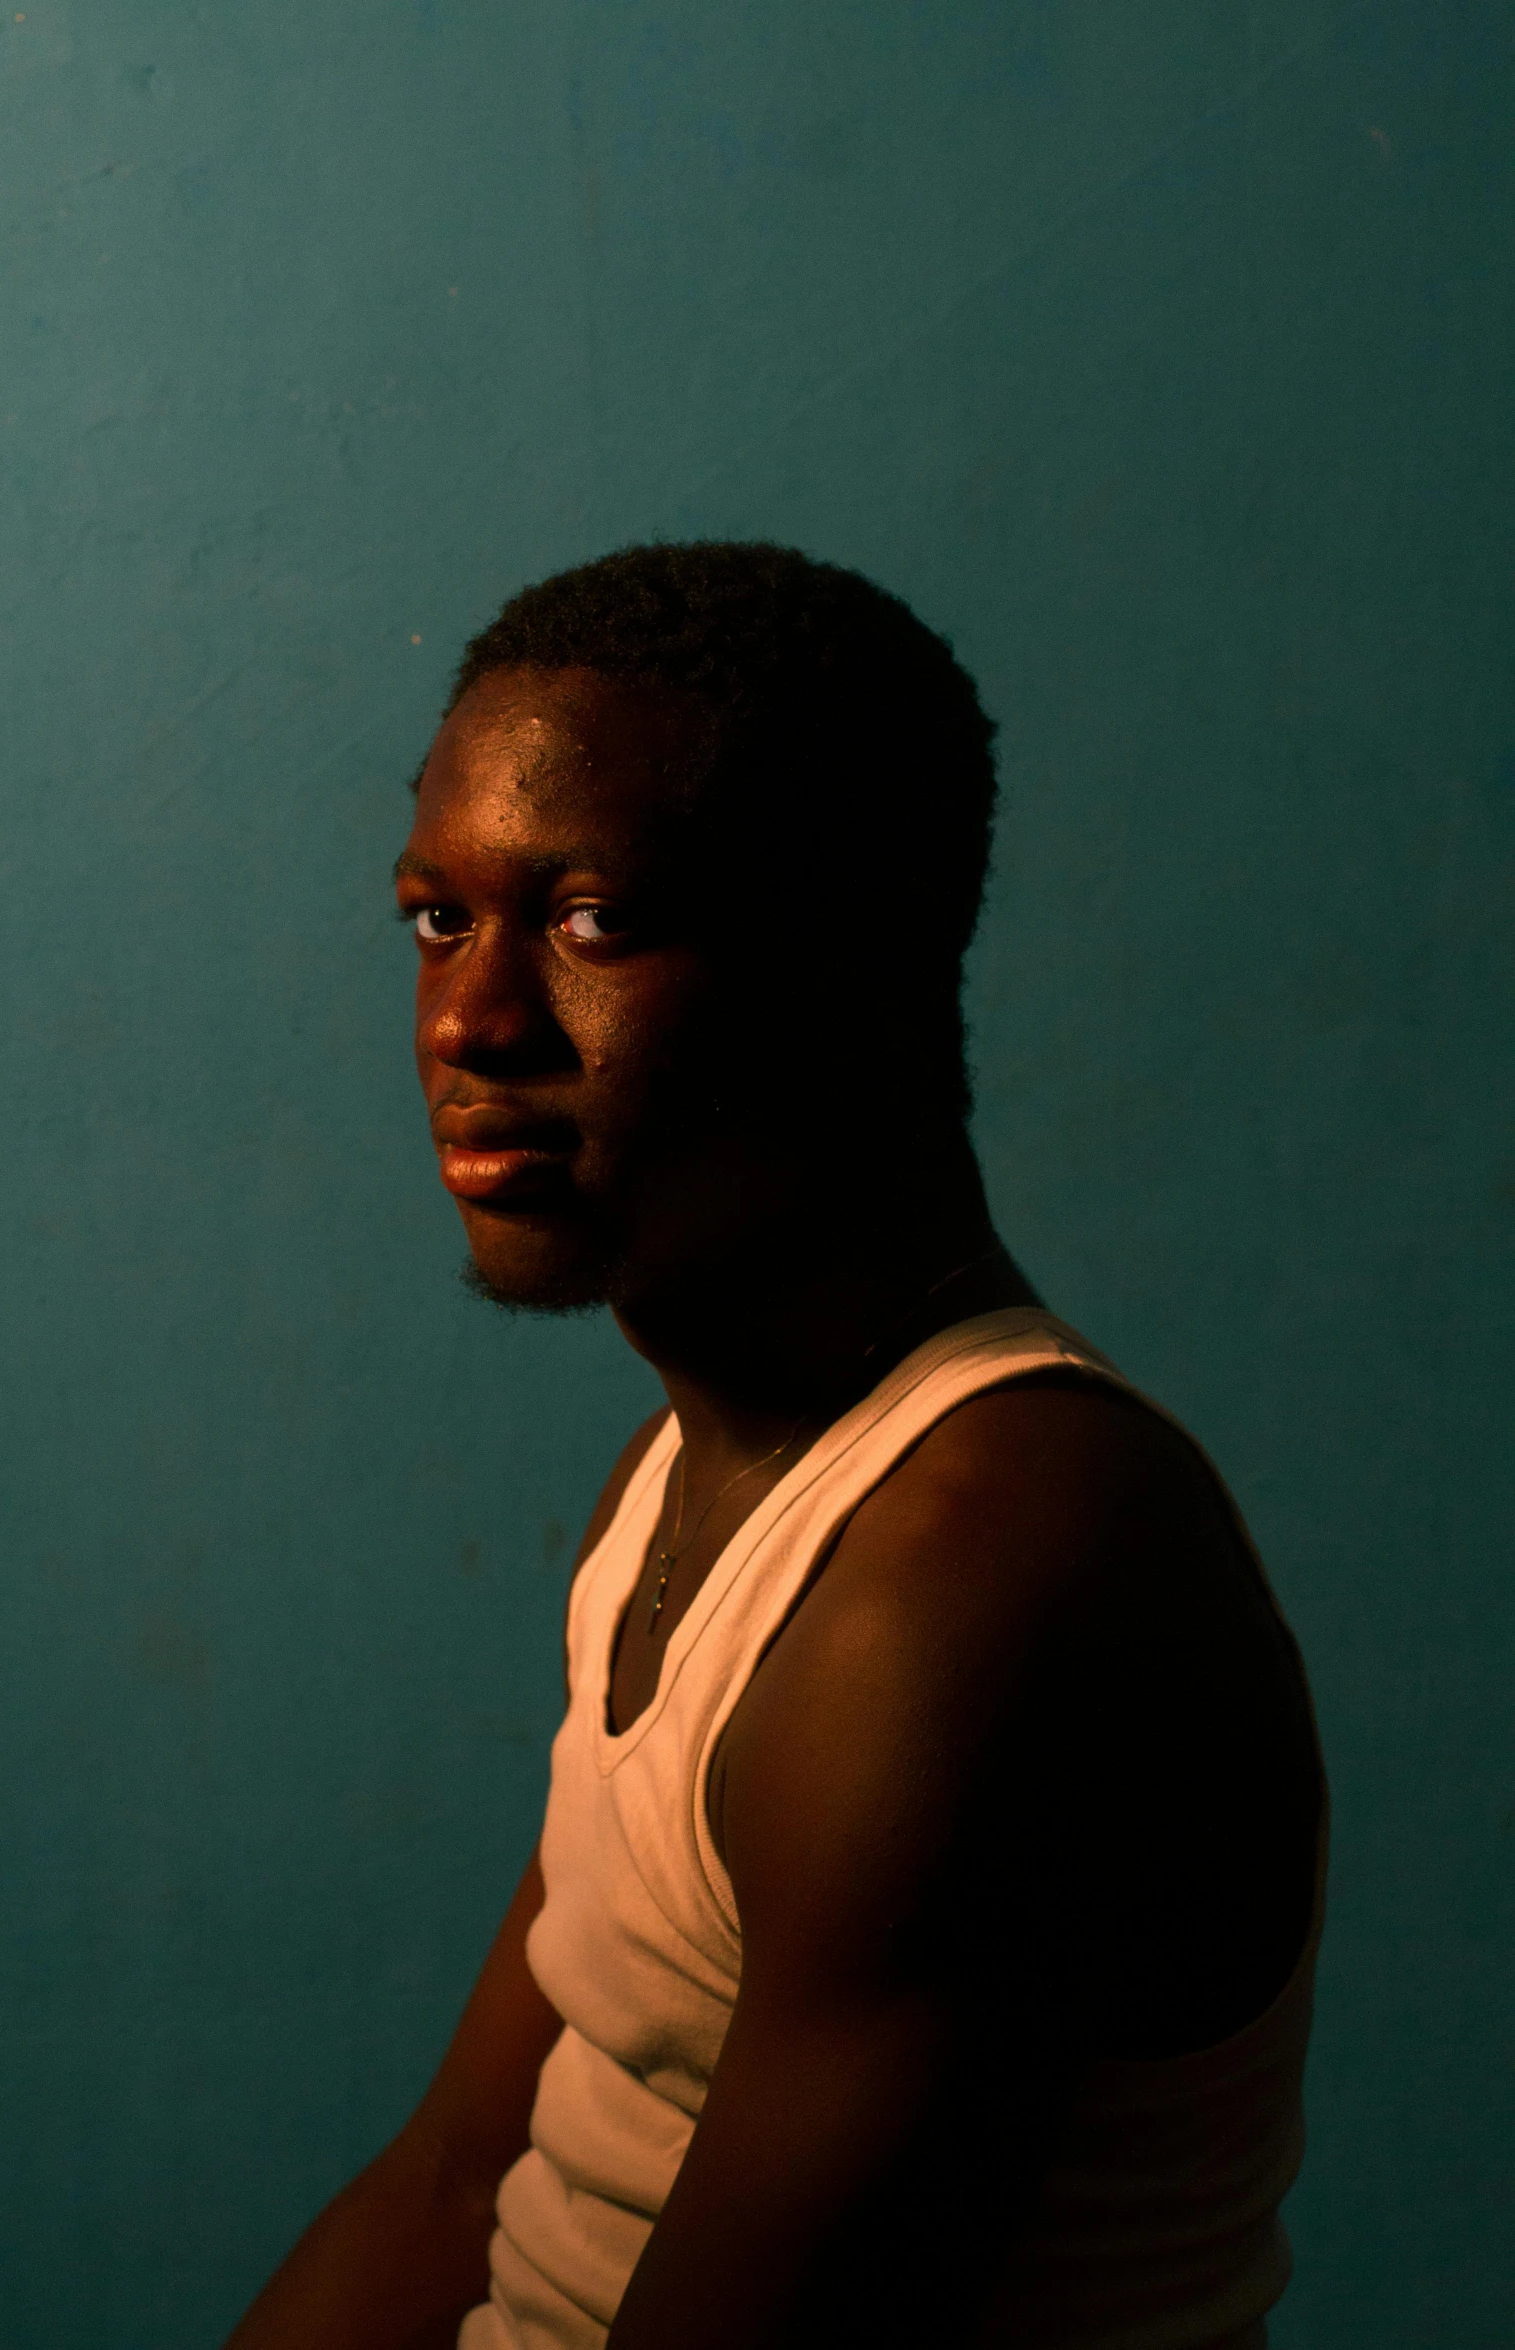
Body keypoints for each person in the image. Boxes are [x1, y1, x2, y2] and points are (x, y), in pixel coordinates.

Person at [225, 542, 1325, 2350]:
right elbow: (449, 2186)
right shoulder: (687, 1489)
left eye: (592, 919)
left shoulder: (971, 1578)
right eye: (440, 918)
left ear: (861, 953)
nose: (469, 1021)